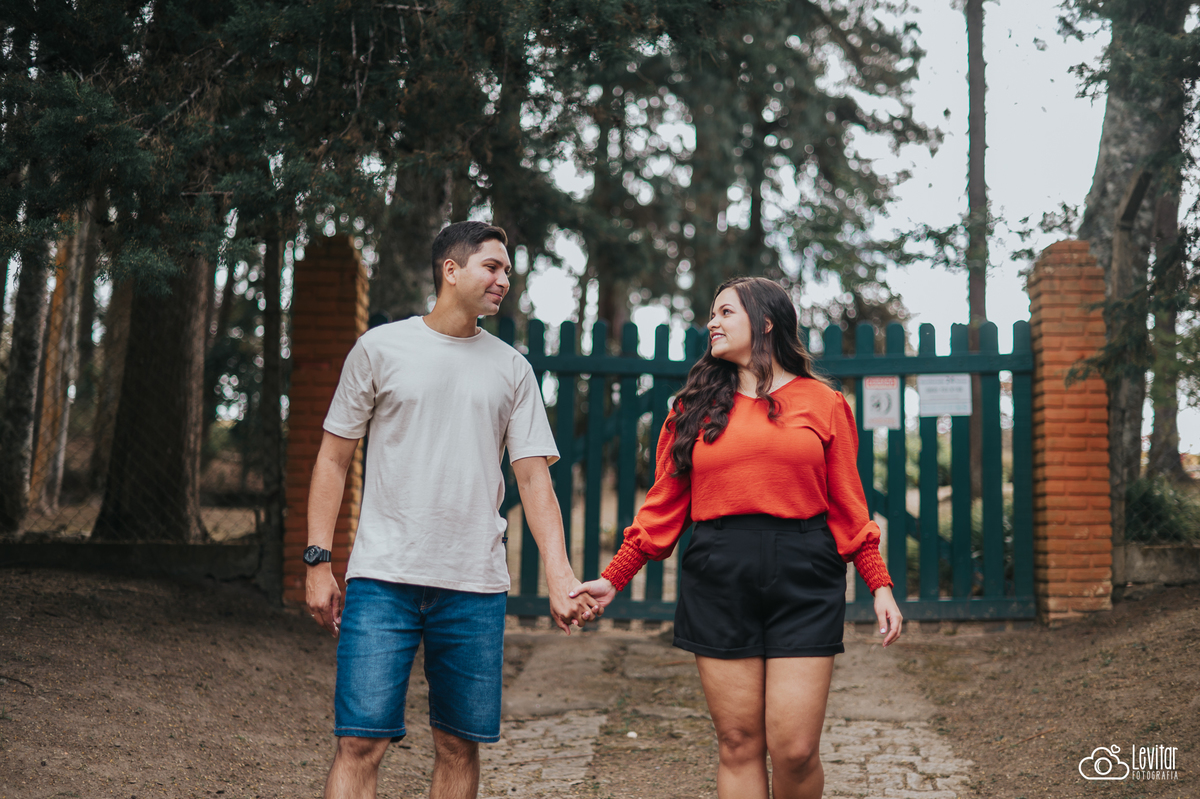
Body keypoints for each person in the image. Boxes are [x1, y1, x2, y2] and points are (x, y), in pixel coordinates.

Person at [573, 276, 903, 799]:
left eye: (725, 312)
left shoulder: (823, 402)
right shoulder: (692, 407)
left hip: (805, 573)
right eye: (712, 314)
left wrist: (878, 583)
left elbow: (848, 502)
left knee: (795, 750)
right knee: (738, 743)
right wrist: (615, 577)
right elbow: (664, 503)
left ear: (766, 321)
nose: (712, 323)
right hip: (718, 572)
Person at [304, 220, 602, 799]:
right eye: (492, 267)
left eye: (508, 271)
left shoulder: (512, 368)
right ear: (451, 270)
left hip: (473, 586)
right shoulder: (380, 349)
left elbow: (534, 479)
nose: (504, 280)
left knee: (459, 745)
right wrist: (318, 562)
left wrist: (560, 575)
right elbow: (333, 459)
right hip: (382, 579)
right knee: (359, 743)